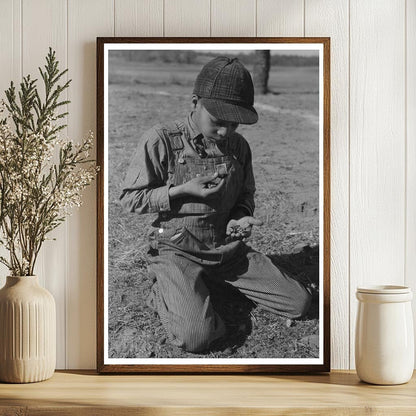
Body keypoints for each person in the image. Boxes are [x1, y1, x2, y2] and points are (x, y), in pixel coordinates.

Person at [119, 56, 312, 353]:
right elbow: (130, 199)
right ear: (195, 102)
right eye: (218, 122)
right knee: (196, 336)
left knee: (299, 303)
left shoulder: (238, 147)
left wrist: (240, 216)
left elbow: (246, 195)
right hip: (176, 249)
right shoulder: (161, 140)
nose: (226, 132)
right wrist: (180, 190)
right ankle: (167, 287)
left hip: (226, 251)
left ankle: (202, 286)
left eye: (234, 124)